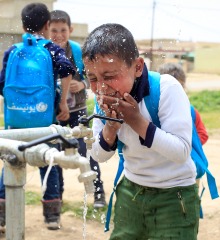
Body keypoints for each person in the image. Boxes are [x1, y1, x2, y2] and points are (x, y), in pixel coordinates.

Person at [82, 23, 200, 239]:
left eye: (109, 77)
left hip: (175, 195)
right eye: (92, 78)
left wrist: (136, 120)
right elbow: (98, 155)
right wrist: (110, 128)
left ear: (137, 67)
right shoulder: (102, 99)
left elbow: (181, 151)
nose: (100, 87)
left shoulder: (166, 88)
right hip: (130, 191)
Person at [0, 3, 75, 231]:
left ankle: (2, 216)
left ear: (23, 25)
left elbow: (2, 84)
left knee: (11, 162)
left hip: (15, 122)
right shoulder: (52, 49)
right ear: (47, 25)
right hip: (45, 119)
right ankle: (52, 217)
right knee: (48, 162)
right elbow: (67, 70)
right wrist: (62, 103)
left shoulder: (12, 51)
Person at [49, 10, 106, 208]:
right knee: (55, 154)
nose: (58, 34)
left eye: (63, 30)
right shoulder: (45, 52)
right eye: (54, 30)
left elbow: (95, 77)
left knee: (85, 151)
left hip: (78, 112)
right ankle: (58, 197)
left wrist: (82, 85)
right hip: (55, 113)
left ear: (70, 30)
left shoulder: (77, 52)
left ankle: (99, 193)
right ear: (47, 30)